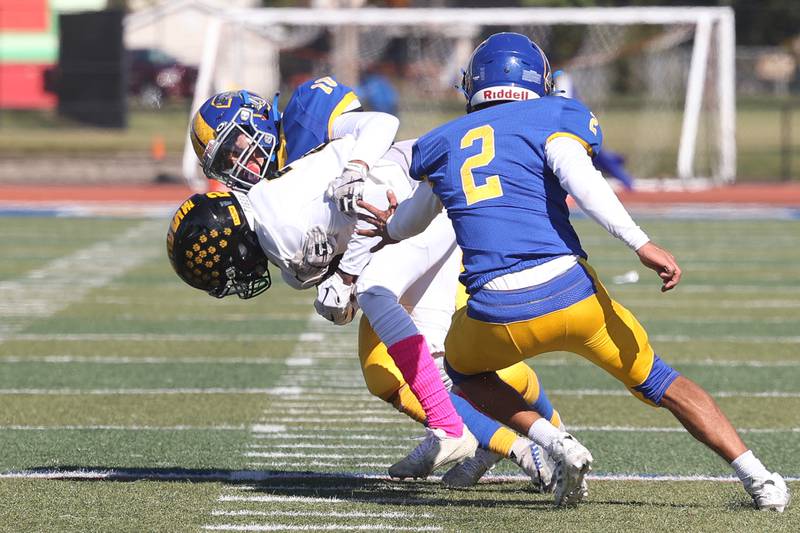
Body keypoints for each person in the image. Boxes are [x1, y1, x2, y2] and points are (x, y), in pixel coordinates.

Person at [357, 32, 790, 511]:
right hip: (573, 296)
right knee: (662, 382)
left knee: (463, 371)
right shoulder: (552, 117)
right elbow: (585, 184)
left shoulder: (442, 143)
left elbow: (410, 222)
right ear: (537, 80)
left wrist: (387, 229)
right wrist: (640, 243)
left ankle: (553, 440)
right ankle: (760, 479)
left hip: (496, 313)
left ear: (473, 85)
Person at [171, 130, 567, 490]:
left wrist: (345, 278)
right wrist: (342, 287)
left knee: (387, 315)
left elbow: (369, 194)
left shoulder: (283, 220)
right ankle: (536, 444)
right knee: (433, 363)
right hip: (413, 213)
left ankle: (472, 434)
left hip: (416, 202)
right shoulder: (273, 216)